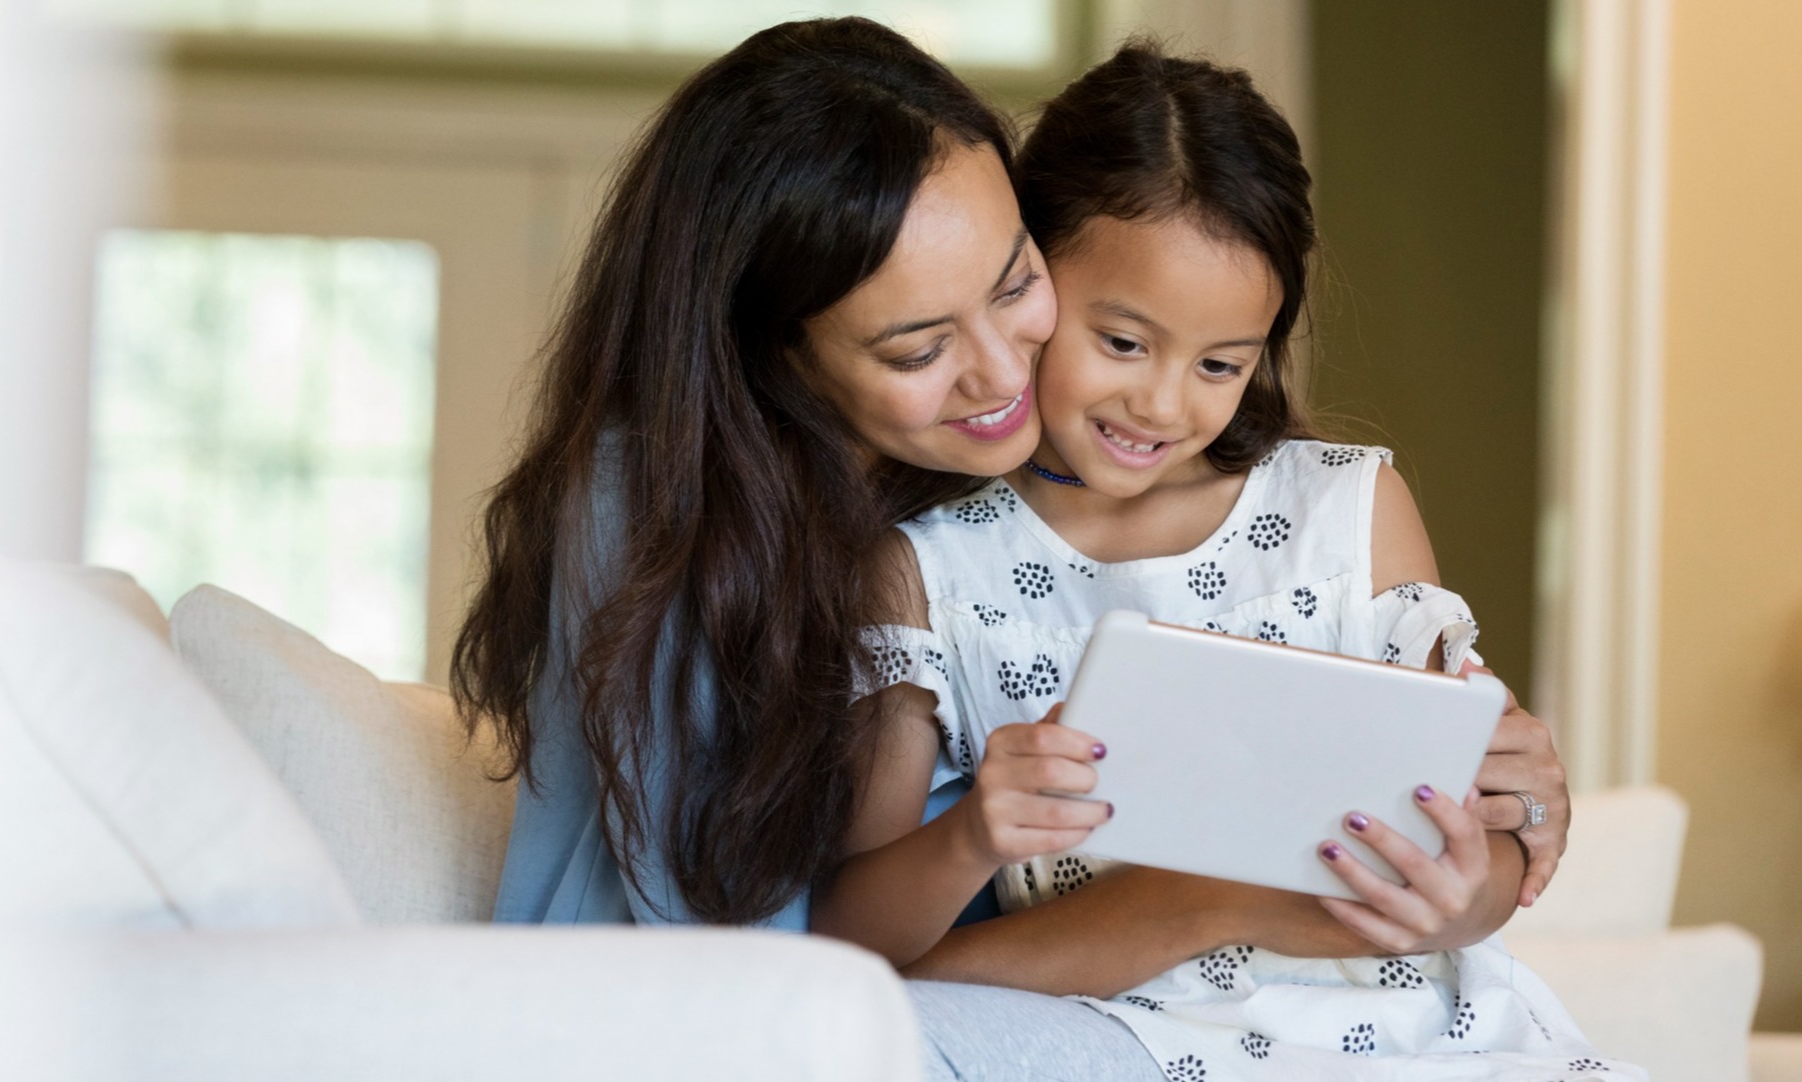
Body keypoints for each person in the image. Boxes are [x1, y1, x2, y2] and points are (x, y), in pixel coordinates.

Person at [452, 13, 1573, 1069]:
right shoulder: (713, 515)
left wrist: (1512, 817)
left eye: (1012, 283)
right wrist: (1184, 898)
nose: (1001, 377)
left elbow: (1460, 827)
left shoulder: (1302, 504)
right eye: (916, 346)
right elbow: (766, 966)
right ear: (775, 355)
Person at [819, 42, 1634, 1079]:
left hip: (1415, 1036)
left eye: (1218, 363)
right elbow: (852, 941)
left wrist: (1465, 881)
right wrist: (974, 833)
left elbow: (1483, 856)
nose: (1163, 404)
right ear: (1026, 281)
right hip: (1111, 1032)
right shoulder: (928, 568)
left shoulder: (1346, 511)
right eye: (1121, 342)